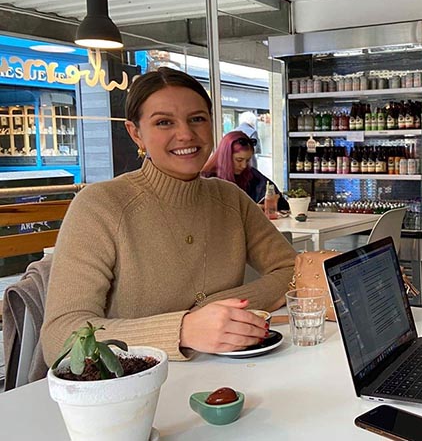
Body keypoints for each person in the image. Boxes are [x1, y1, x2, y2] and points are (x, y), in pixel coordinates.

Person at [41, 67, 296, 364]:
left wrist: (219, 312)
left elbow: (292, 269)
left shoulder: (230, 199)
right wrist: (183, 329)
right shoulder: (100, 206)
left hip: (227, 378)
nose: (186, 134)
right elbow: (61, 337)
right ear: (136, 133)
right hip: (136, 393)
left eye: (197, 119)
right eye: (164, 122)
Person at [202, 130, 289, 211]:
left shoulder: (251, 175)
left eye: (247, 160)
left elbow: (283, 205)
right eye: (239, 160)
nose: (244, 166)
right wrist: (251, 209)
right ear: (226, 157)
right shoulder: (205, 179)